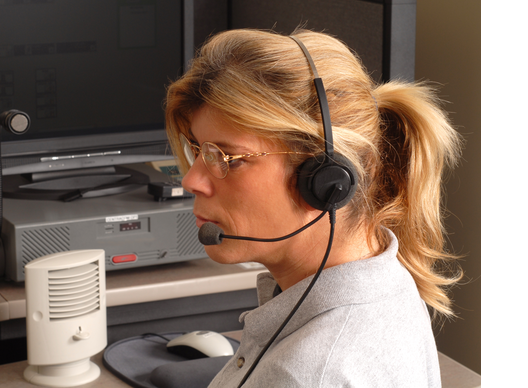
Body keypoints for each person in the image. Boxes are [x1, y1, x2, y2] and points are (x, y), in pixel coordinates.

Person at [164, 28, 462, 387]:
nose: (192, 180)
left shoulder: (307, 374)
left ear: (323, 179)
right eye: (198, 149)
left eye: (227, 157)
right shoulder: (385, 279)